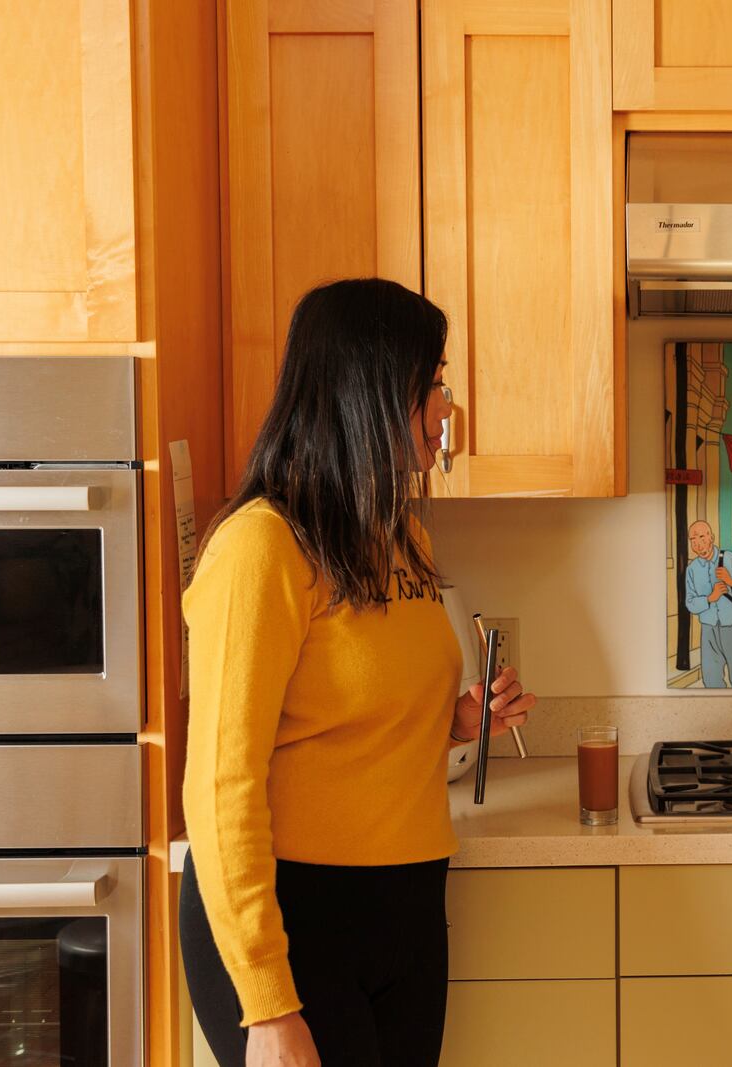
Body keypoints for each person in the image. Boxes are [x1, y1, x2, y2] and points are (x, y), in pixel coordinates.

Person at [179, 279, 537, 1067]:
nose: (446, 406)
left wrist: (460, 720)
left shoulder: (400, 537)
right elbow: (218, 785)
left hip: (407, 905)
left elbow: (352, 715)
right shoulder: (259, 549)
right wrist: (267, 1004)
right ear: (373, 390)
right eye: (434, 383)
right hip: (295, 919)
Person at [683, 520, 732, 687]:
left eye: (701, 537)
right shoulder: (692, 569)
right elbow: (690, 603)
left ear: (712, 537)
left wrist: (731, 581)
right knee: (711, 679)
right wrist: (710, 598)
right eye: (693, 539)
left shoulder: (729, 558)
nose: (698, 544)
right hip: (708, 628)